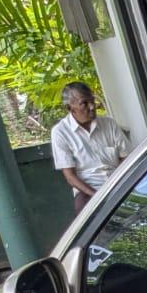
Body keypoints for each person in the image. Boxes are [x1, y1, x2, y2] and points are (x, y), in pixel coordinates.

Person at [51, 82, 131, 216]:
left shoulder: (109, 124)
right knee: (90, 223)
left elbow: (127, 159)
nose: (92, 107)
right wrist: (98, 197)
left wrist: (118, 186)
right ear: (70, 108)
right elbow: (70, 177)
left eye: (92, 101)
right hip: (88, 191)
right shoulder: (60, 132)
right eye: (84, 103)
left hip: (118, 183)